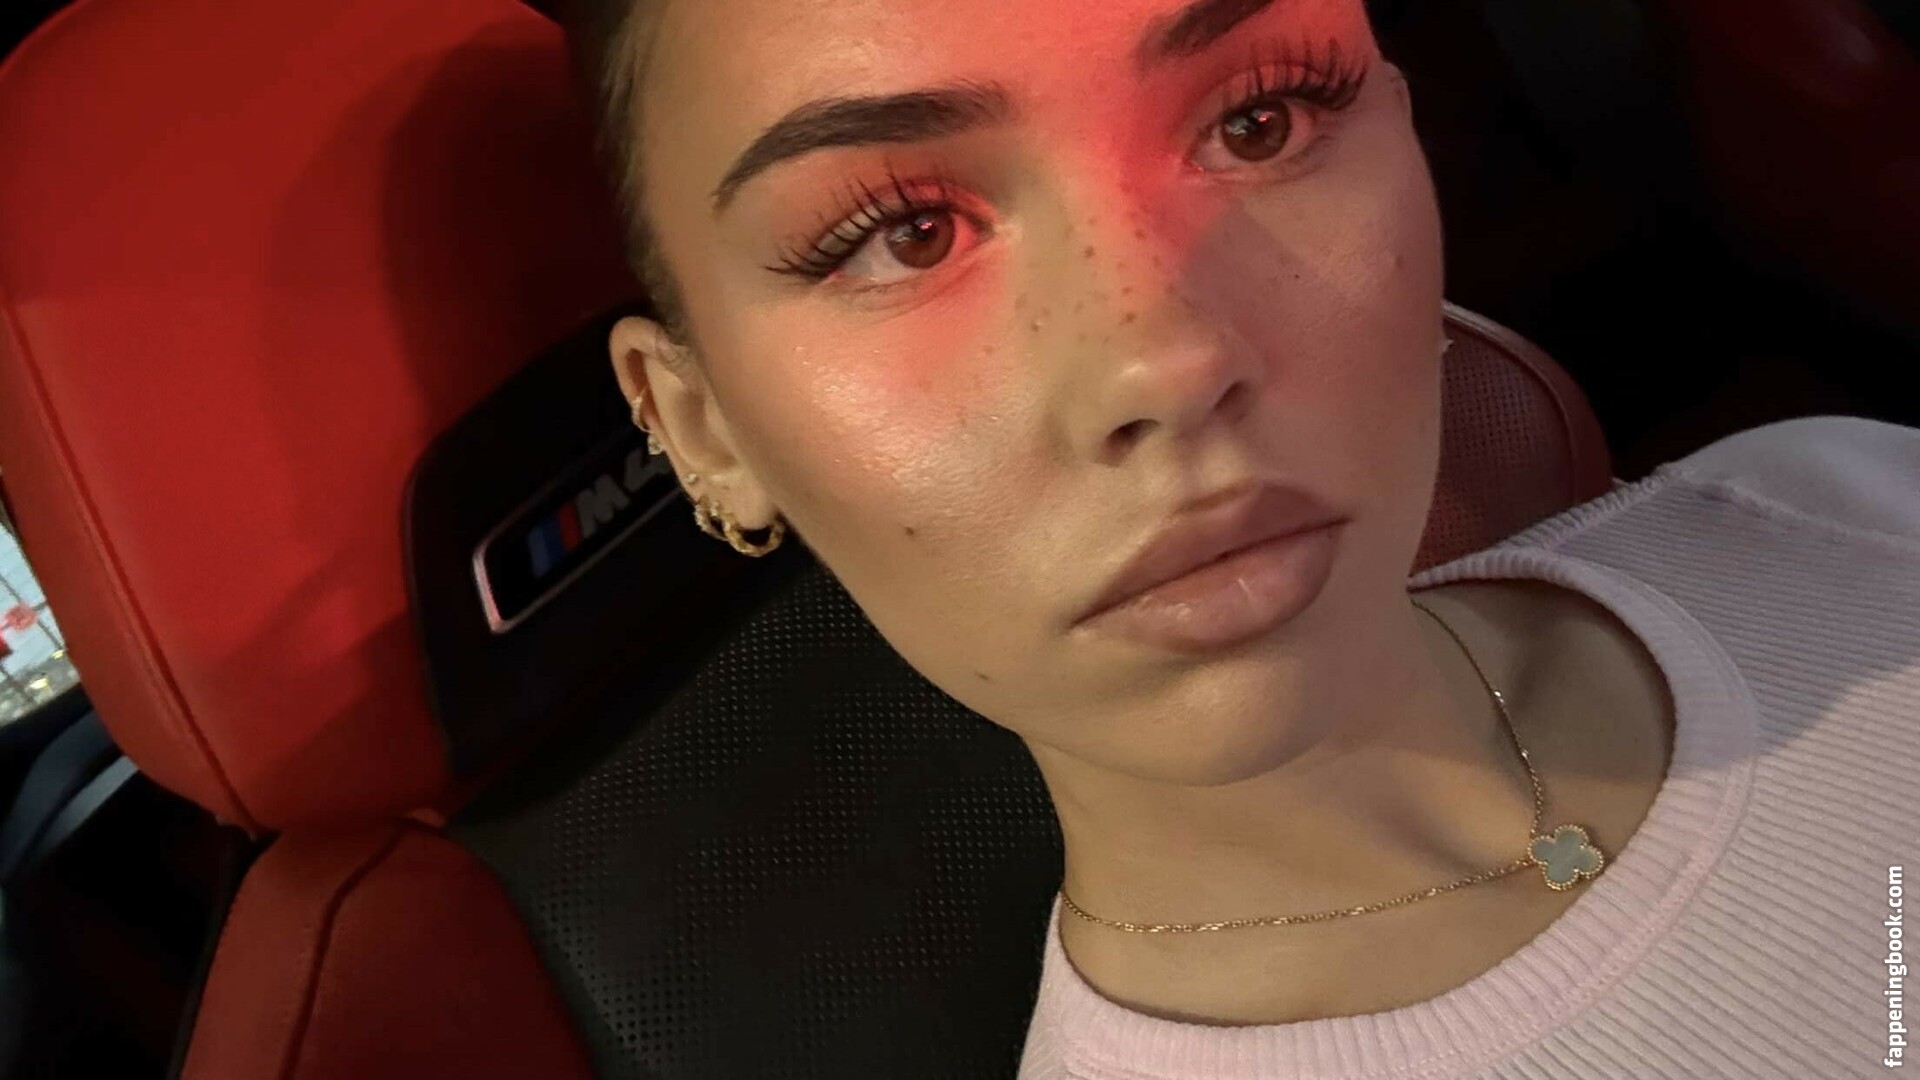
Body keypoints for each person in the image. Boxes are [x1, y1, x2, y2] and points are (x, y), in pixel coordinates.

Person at [554, 0, 1920, 1075]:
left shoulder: (1829, 496)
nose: (1168, 360)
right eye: (906, 236)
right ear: (699, 428)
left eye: (1261, 122)